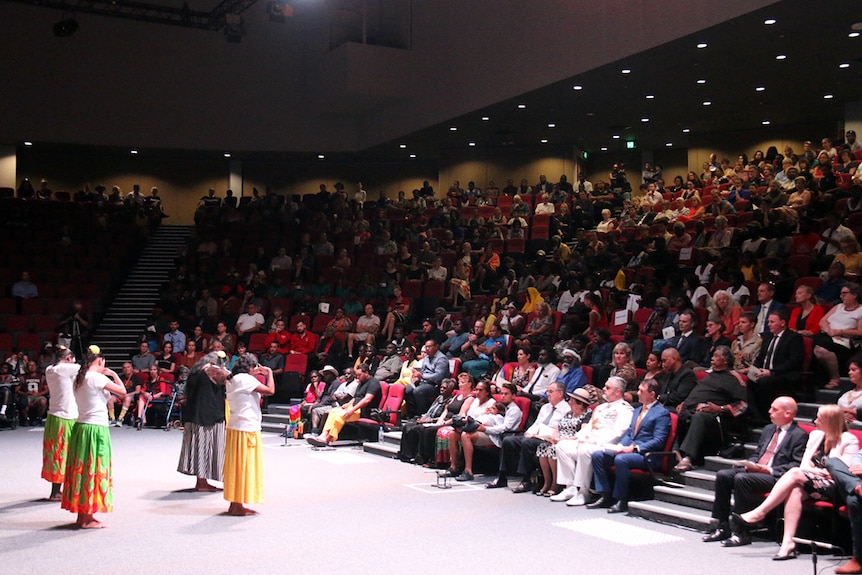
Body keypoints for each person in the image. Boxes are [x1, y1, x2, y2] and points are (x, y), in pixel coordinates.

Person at [733, 405, 859, 560]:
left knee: (793, 473)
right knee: (795, 490)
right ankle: (788, 543)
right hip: (812, 481)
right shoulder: (815, 436)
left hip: (835, 487)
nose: (815, 420)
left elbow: (842, 472)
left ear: (830, 421)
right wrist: (815, 472)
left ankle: (760, 512)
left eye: (819, 418)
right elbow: (804, 465)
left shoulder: (848, 440)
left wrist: (814, 471)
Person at [703, 396, 808, 545]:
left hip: (776, 477)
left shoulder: (799, 435)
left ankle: (742, 531)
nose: (769, 411)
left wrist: (769, 470)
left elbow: (796, 465)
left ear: (788, 414)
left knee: (742, 478)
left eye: (775, 409)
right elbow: (757, 454)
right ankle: (721, 526)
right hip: (757, 471)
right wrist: (751, 463)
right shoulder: (768, 429)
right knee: (723, 475)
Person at [61, 345, 126, 529]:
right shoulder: (97, 377)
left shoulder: (79, 378)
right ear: (100, 361)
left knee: (82, 470)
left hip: (81, 428)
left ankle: (84, 515)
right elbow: (122, 391)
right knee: (93, 469)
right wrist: (113, 374)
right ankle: (87, 518)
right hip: (95, 428)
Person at [589, 379, 672, 512]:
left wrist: (633, 448)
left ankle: (621, 499)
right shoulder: (637, 410)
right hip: (630, 450)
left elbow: (659, 440)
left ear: (652, 394)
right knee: (598, 455)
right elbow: (629, 434)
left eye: (641, 391)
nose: (637, 393)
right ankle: (604, 494)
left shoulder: (661, 413)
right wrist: (620, 447)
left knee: (621, 459)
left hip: (647, 455)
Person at [551, 377, 633, 506]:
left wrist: (593, 441)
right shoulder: (601, 407)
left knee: (585, 450)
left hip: (606, 445)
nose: (604, 389)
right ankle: (570, 487)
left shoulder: (625, 409)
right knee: (562, 446)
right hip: (590, 442)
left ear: (617, 392)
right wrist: (576, 438)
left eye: (608, 387)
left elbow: (618, 433)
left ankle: (583, 492)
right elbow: (589, 427)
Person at [673, 346, 748, 472]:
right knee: (670, 415)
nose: (712, 358)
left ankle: (688, 458)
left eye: (717, 356)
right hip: (690, 412)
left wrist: (720, 408)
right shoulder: (708, 375)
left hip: (716, 421)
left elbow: (742, 405)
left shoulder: (734, 378)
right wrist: (684, 403)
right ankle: (673, 453)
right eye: (713, 356)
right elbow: (697, 393)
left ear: (726, 360)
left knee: (700, 417)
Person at [486, 381, 571, 490]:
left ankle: (526, 479)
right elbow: (537, 423)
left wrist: (539, 437)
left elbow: (561, 430)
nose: (548, 394)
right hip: (535, 435)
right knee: (508, 440)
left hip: (548, 439)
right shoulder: (546, 407)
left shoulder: (566, 409)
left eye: (551, 391)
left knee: (527, 442)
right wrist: (529, 432)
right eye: (547, 391)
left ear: (560, 394)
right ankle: (502, 477)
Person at [223, 353, 275, 516]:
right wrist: (270, 373)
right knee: (244, 465)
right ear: (251, 367)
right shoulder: (245, 379)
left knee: (237, 465)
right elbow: (270, 391)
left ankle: (235, 503)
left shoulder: (233, 378)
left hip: (236, 425)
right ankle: (237, 505)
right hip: (246, 427)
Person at [177, 351, 229, 493]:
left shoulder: (196, 371)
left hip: (194, 414)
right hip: (208, 415)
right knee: (204, 448)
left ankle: (201, 481)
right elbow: (229, 377)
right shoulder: (212, 370)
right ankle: (202, 483)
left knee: (198, 447)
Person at [455, 382, 523, 481]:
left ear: (513, 396)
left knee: (466, 435)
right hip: (490, 430)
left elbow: (504, 428)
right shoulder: (502, 407)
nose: (502, 396)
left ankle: (468, 470)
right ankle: (455, 467)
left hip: (500, 437)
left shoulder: (514, 410)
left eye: (506, 394)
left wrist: (485, 428)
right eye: (502, 393)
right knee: (455, 433)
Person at [535, 387, 593, 496]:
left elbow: (582, 434)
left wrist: (561, 440)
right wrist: (552, 437)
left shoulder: (587, 415)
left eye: (572, 401)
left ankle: (556, 484)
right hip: (559, 438)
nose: (569, 403)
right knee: (543, 447)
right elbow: (559, 428)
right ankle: (547, 482)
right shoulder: (569, 414)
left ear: (580, 404)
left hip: (572, 441)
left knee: (554, 449)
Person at [306, 363, 382, 446]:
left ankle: (328, 439)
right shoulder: (361, 383)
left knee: (341, 415)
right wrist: (348, 404)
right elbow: (356, 397)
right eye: (357, 375)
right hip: (354, 407)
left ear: (366, 373)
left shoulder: (373, 383)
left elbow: (367, 400)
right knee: (333, 412)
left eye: (359, 375)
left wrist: (351, 410)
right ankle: (323, 435)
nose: (357, 377)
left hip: (363, 411)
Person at [748, 308, 805, 419]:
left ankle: (764, 416)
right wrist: (754, 369)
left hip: (783, 375)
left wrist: (772, 372)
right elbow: (760, 357)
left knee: (765, 382)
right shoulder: (768, 337)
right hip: (764, 372)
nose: (769, 324)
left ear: (782, 323)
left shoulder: (794, 338)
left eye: (772, 322)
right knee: (746, 380)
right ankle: (753, 415)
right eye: (768, 321)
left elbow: (793, 362)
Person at [42, 346, 80, 501]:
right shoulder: (65, 369)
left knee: (55, 453)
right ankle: (56, 492)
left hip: (54, 416)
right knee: (63, 453)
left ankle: (58, 489)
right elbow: (88, 369)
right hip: (65, 417)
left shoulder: (50, 369)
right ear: (69, 359)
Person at [815, 284, 862, 389]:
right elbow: (822, 321)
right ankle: (831, 378)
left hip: (844, 341)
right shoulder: (838, 307)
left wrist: (839, 332)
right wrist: (830, 332)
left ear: (854, 295)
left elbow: (860, 331)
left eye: (844, 293)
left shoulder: (860, 310)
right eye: (841, 293)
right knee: (820, 347)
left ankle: (835, 378)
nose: (841, 296)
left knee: (820, 347)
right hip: (828, 336)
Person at [826, 449, 862, 574]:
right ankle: (857, 487)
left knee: (854, 501)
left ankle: (859, 559)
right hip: (858, 480)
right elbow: (855, 463)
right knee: (832, 462)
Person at [404, 339, 450, 417]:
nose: (427, 349)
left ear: (436, 347)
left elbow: (439, 376)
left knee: (418, 391)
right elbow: (422, 371)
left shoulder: (442, 359)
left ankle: (422, 414)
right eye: (426, 347)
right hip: (423, 382)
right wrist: (417, 377)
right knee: (407, 389)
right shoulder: (426, 358)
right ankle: (411, 414)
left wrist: (422, 376)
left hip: (435, 385)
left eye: (429, 347)